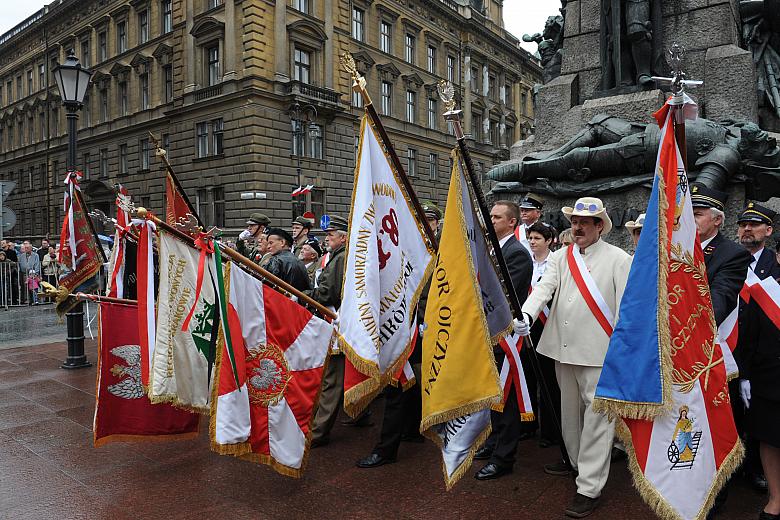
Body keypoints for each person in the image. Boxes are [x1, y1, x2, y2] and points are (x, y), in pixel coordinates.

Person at [515, 196, 632, 518]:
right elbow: (544, 289)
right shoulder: (560, 257)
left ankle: (589, 487)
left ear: (599, 226)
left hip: (599, 353)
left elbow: (626, 308)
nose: (578, 227)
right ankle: (577, 463)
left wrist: (622, 352)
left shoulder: (619, 259)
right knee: (569, 415)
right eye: (575, 222)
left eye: (585, 222)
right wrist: (527, 314)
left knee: (598, 420)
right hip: (562, 348)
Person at [355, 202, 442, 469]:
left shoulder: (442, 248)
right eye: (420, 219)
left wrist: (425, 320)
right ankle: (410, 430)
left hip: (422, 324)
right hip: (402, 323)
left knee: (401, 383)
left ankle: (387, 449)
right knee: (405, 381)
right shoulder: (405, 245)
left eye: (429, 220)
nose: (424, 224)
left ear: (436, 223)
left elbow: (436, 290)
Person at [690, 185, 752, 518]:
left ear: (717, 220)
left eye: (697, 214)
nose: (690, 219)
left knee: (716, 427)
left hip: (713, 355)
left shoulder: (731, 254)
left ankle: (716, 493)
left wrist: (680, 318)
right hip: (680, 356)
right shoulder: (675, 248)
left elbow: (720, 299)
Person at [474, 200, 533, 481]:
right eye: (491, 216)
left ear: (512, 222)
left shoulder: (516, 253)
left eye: (497, 217)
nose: (492, 220)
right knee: (493, 393)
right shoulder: (491, 249)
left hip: (504, 336)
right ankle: (494, 440)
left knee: (507, 398)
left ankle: (503, 457)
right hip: (487, 334)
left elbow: (503, 295)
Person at [735, 203, 780, 520]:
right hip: (741, 356)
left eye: (754, 224)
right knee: (755, 425)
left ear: (769, 231)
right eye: (743, 224)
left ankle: (754, 469)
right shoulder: (729, 259)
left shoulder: (771, 269)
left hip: (765, 358)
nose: (747, 229)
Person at [306, 215, 349, 447]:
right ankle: (360, 414)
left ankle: (318, 431)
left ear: (343, 238)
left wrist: (304, 295)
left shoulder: (340, 258)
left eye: (331, 235)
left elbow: (328, 293)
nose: (327, 238)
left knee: (332, 378)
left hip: (336, 321)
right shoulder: (338, 256)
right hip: (335, 321)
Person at [525, 221, 562, 449]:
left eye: (537, 238)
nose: (532, 242)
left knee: (549, 380)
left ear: (549, 241)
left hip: (548, 326)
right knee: (527, 376)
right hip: (528, 326)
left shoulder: (556, 262)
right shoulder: (524, 261)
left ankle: (551, 431)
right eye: (530, 238)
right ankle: (528, 424)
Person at [263, 228, 311, 292]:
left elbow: (266, 286)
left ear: (282, 242)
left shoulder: (276, 260)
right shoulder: (299, 262)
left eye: (271, 243)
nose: (268, 247)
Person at [18, 241, 41, 305]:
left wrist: (36, 273)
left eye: (27, 248)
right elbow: (19, 264)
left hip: (32, 274)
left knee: (33, 288)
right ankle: (26, 300)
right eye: (25, 248)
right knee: (25, 287)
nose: (26, 249)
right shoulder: (22, 256)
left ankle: (34, 300)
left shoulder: (35, 255)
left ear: (31, 248)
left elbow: (37, 264)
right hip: (24, 273)